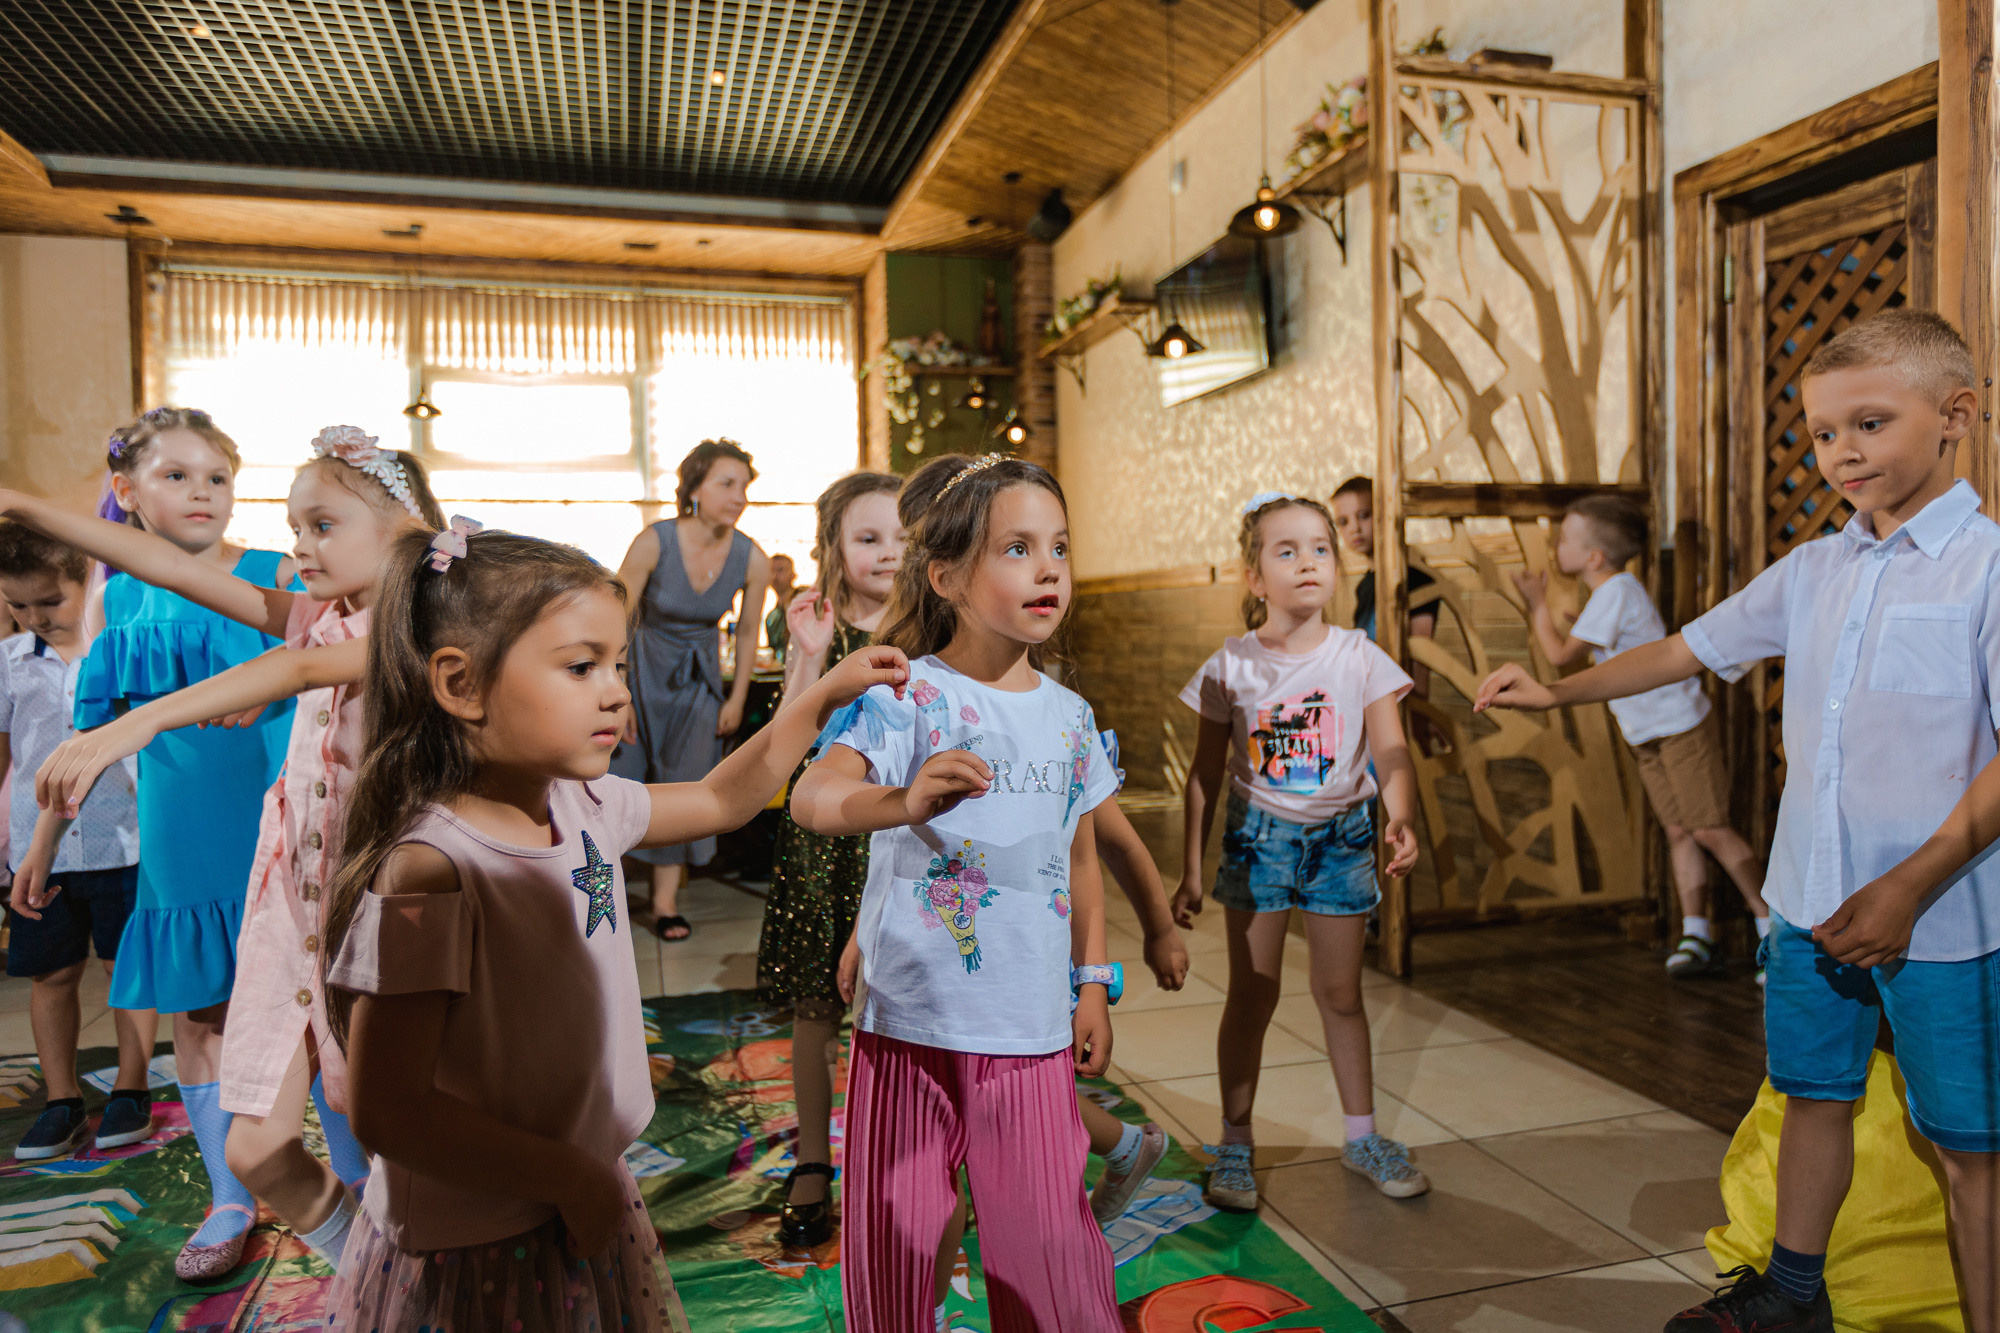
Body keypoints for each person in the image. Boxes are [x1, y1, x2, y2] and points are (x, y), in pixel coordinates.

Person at [1477, 310, 2000, 1333]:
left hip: (1940, 922)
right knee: (1813, 1093)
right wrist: (1556, 692)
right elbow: (1684, 650)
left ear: (1955, 417)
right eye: (1819, 434)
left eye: (1868, 423)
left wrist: (1908, 882)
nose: (1839, 453)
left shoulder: (1984, 569)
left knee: (1967, 1148)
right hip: (1806, 902)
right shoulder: (1812, 570)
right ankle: (1792, 1293)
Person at [316, 526, 904, 1333]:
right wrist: (566, 1176)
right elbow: (388, 1109)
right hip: (482, 1238)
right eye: (581, 665)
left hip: (576, 1188)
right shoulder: (432, 871)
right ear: (461, 683)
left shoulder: (580, 804)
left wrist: (818, 697)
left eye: (618, 665)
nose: (617, 692)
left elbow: (722, 799)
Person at [10, 424, 445, 1279]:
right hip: (289, 886)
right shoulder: (319, 613)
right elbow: (169, 567)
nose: (299, 546)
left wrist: (138, 720)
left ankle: (396, 1250)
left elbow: (292, 675)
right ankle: (359, 1259)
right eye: (293, 528)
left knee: (390, 1102)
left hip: (379, 893)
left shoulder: (412, 628)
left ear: (403, 529)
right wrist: (23, 505)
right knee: (254, 1139)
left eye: (321, 526)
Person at [791, 453, 1123, 1333]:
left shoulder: (1071, 717)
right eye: (1017, 547)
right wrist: (900, 801)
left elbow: (1080, 857)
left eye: (1058, 546)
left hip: (1031, 1029)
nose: (1049, 567)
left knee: (1046, 1250)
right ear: (946, 575)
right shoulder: (906, 695)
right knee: (900, 1242)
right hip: (911, 1023)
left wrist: (1094, 980)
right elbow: (812, 796)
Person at [21, 407, 298, 1280]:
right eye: (176, 475)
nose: (202, 493)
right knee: (202, 1020)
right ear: (124, 491)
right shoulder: (121, 596)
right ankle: (230, 1195)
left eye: (216, 475)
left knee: (319, 1018)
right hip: (184, 851)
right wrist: (42, 848)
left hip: (281, 837)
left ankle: (362, 1183)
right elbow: (89, 736)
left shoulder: (277, 577)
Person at [1172, 491, 1426, 1214]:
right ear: (1255, 578)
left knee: (1341, 995)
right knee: (1253, 995)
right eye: (1286, 550)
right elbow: (1203, 773)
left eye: (1320, 547)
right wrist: (1191, 868)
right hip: (1259, 843)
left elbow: (1391, 746)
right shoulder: (1231, 666)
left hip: (1343, 840)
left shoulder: (1360, 656)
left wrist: (1400, 813)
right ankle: (1234, 1142)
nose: (1308, 561)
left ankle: (1362, 1135)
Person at [1512, 495, 1771, 979]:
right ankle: (1697, 932)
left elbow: (1559, 656)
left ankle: (1772, 931)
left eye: (1565, 538)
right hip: (1646, 731)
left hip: (1678, 726)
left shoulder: (1615, 591)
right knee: (1679, 830)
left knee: (1711, 827)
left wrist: (1536, 604)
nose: (1556, 546)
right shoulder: (1612, 593)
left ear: (1594, 557)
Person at [756, 471, 905, 1249]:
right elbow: (787, 737)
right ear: (834, 547)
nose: (888, 553)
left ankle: (905, 1159)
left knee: (908, 1004)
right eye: (868, 537)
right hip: (825, 845)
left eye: (901, 537)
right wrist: (810, 658)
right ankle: (814, 1157)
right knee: (818, 1007)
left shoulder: (933, 626)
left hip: (905, 837)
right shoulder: (812, 625)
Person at [0, 521, 154, 1163]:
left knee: (127, 969)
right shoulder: (7, 665)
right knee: (52, 972)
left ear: (83, 580)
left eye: (49, 601)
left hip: (128, 841)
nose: (34, 616)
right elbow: (7, 758)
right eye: (17, 605)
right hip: (41, 850)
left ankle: (131, 1088)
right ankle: (61, 1100)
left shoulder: (118, 652)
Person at [614, 439, 772, 941]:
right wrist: (616, 688)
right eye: (727, 484)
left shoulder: (753, 557)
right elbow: (612, 613)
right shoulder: (654, 541)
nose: (739, 496)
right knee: (618, 783)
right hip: (638, 673)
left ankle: (664, 903)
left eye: (744, 486)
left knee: (682, 786)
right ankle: (602, 891)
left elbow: (748, 633)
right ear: (695, 488)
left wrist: (737, 697)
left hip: (698, 682)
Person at [764, 551, 798, 662]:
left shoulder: (803, 607)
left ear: (793, 575)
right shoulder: (772, 617)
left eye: (780, 570)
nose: (775, 576)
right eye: (771, 570)